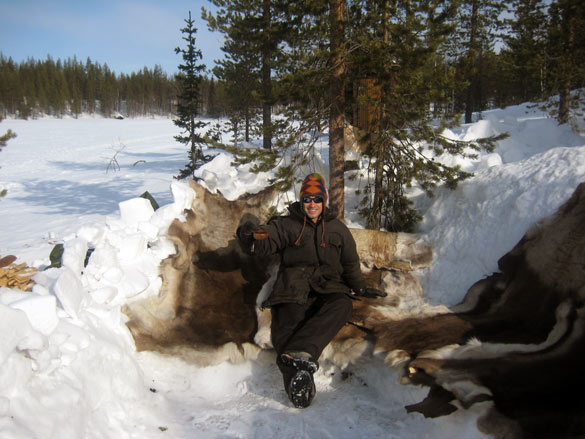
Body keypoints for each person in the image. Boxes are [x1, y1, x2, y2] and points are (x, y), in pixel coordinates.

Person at [236, 173, 386, 408]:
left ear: (324, 200)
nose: (312, 204)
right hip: (292, 288)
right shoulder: (286, 225)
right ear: (301, 201)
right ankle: (299, 382)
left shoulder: (337, 229)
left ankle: (301, 355)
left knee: (343, 305)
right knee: (285, 330)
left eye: (317, 199)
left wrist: (359, 287)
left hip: (329, 287)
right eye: (307, 199)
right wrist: (249, 237)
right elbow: (265, 240)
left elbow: (349, 262)